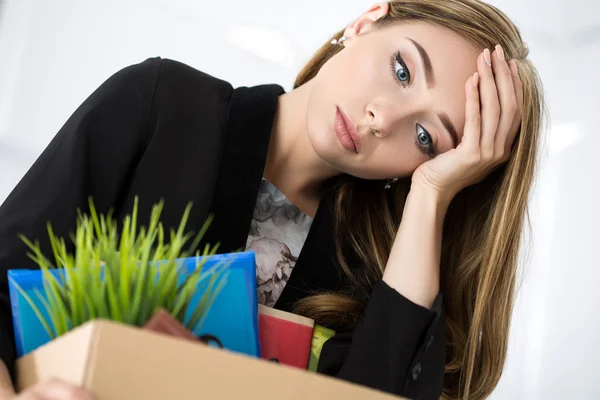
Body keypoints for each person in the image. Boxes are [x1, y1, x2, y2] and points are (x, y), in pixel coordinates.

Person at [0, 0, 543, 398]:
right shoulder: (162, 103)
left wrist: (430, 195)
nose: (383, 119)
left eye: (426, 138)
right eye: (402, 70)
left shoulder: (375, 273)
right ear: (365, 21)